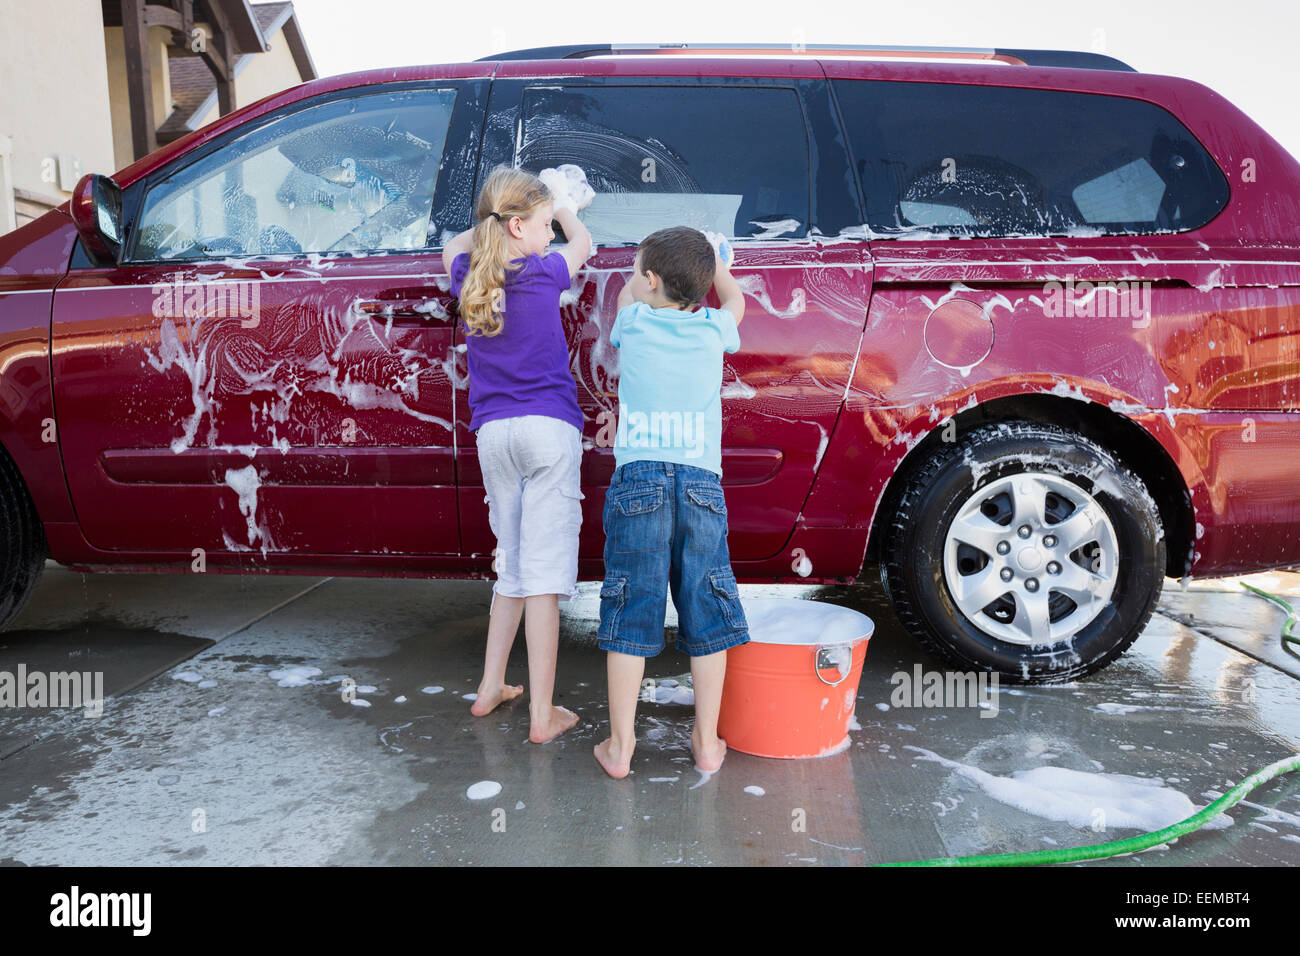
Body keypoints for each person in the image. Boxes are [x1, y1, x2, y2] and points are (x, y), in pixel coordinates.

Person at [441, 165, 592, 744]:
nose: (552, 235)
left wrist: (502, 220)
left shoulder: (469, 273)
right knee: (544, 580)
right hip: (547, 433)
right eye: (544, 225)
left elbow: (459, 241)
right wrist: (564, 204)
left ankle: (489, 688)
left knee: (512, 567)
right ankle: (542, 714)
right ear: (518, 226)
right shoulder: (544, 271)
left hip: (494, 436)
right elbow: (584, 243)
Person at [592, 226, 749, 779]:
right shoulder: (713, 327)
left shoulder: (633, 322)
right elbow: (735, 299)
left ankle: (620, 747)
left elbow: (628, 296)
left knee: (633, 609)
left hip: (639, 483)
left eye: (639, 270)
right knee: (706, 608)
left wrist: (648, 276)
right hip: (701, 483)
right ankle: (706, 742)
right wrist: (718, 263)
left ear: (650, 280)